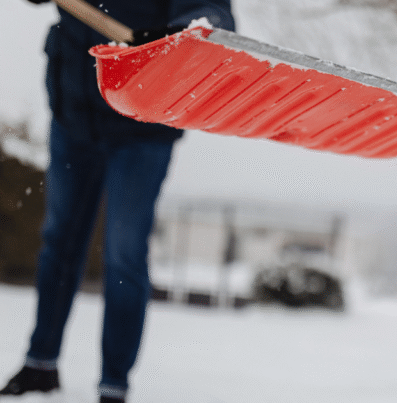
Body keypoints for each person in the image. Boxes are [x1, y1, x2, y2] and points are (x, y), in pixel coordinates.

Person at [0, 1, 235, 402]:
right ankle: (40, 363)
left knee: (123, 252)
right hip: (74, 110)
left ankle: (114, 383)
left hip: (143, 121)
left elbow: (212, 12)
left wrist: (180, 34)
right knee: (60, 241)